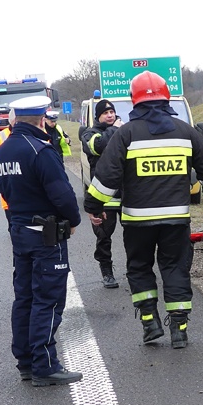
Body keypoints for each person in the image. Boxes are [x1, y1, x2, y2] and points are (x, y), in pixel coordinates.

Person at [84, 71, 203, 348]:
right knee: (175, 268)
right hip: (176, 219)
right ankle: (180, 330)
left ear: (135, 101)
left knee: (139, 268)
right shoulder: (186, 132)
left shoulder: (125, 134)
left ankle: (150, 323)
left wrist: (94, 206)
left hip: (137, 221)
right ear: (167, 98)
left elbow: (107, 175)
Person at [0, 95, 83, 386]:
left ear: (16, 120)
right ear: (42, 119)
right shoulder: (40, 151)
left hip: (19, 229)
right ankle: (45, 365)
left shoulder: (1, 152)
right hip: (46, 234)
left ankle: (26, 362)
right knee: (48, 299)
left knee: (25, 298)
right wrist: (74, 221)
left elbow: (4, 188)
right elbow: (62, 194)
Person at [80, 99, 123, 288]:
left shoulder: (124, 130)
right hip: (103, 197)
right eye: (106, 113)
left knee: (135, 237)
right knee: (104, 236)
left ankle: (136, 270)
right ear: (98, 116)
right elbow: (99, 146)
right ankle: (107, 272)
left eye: (112, 112)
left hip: (127, 195)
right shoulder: (90, 134)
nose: (110, 115)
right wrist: (117, 130)